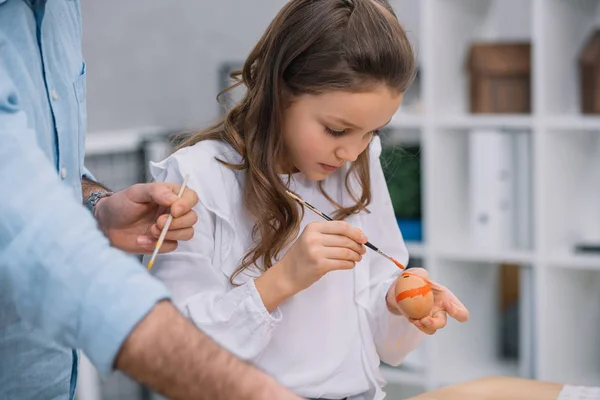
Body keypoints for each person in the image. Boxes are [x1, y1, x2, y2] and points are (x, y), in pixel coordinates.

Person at [146, 0, 470, 399]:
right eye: (337, 130)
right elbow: (174, 354)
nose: (352, 152)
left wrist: (395, 300)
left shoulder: (356, 163)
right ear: (279, 90)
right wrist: (283, 279)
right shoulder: (196, 178)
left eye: (371, 132)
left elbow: (373, 306)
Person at [0, 1, 301, 399]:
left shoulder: (61, 12)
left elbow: (47, 176)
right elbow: (34, 239)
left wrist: (98, 208)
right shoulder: (198, 167)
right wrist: (251, 391)